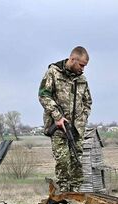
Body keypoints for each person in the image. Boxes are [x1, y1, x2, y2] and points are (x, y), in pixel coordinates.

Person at [38, 46, 92, 192]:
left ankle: (75, 193)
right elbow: (43, 95)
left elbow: (88, 102)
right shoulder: (53, 73)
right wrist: (57, 117)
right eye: (81, 65)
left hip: (76, 130)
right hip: (58, 128)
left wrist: (82, 120)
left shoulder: (82, 79)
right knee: (63, 162)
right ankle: (63, 191)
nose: (83, 69)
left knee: (76, 162)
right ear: (73, 59)